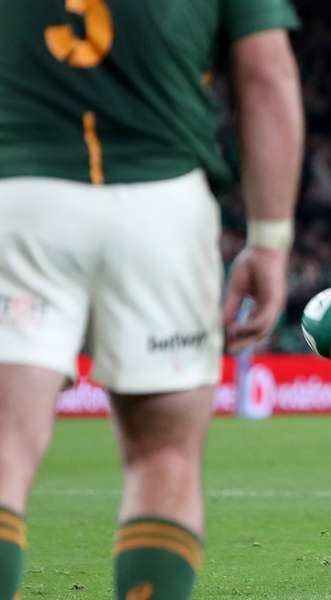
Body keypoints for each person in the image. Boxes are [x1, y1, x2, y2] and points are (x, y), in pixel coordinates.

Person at [0, 2, 303, 598]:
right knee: (163, 457)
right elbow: (267, 75)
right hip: (162, 207)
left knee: (6, 442)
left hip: (21, 195)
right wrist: (269, 242)